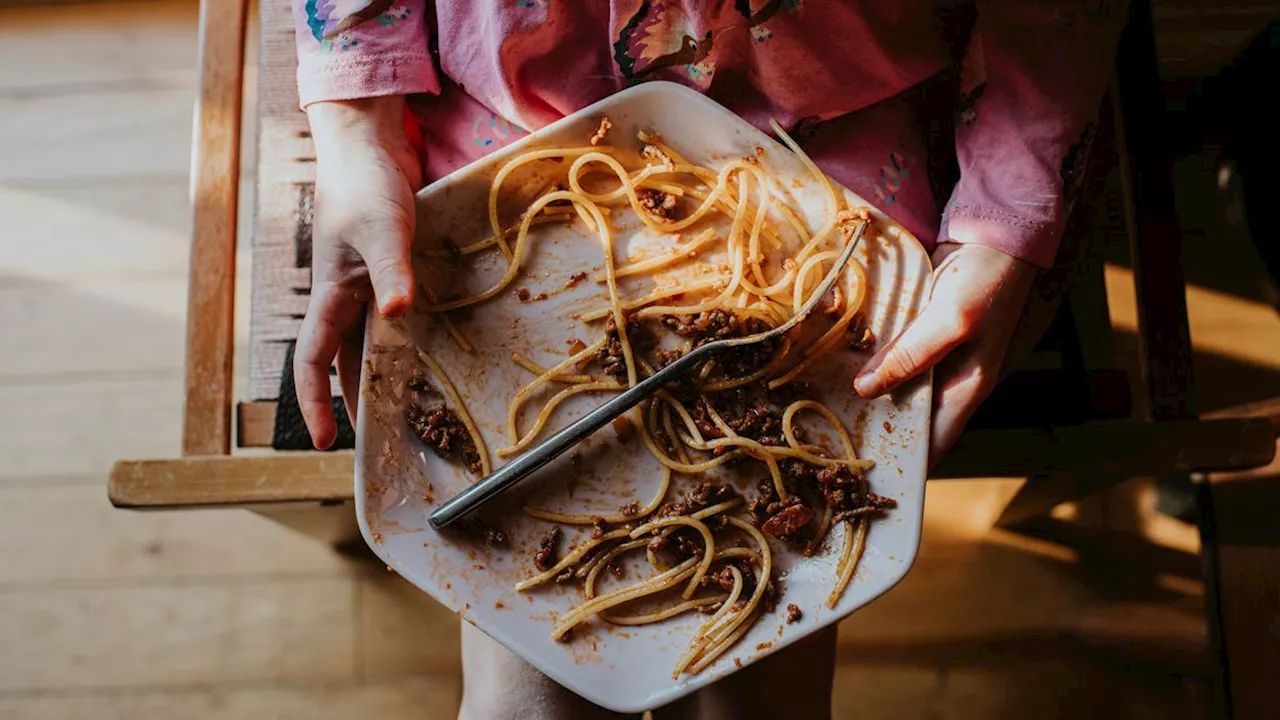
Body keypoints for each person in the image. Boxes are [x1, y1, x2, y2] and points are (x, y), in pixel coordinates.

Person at [287, 2, 1127, 717]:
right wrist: (358, 134)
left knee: (763, 666)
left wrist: (1003, 230)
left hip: (840, 151)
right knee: (529, 691)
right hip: (509, 131)